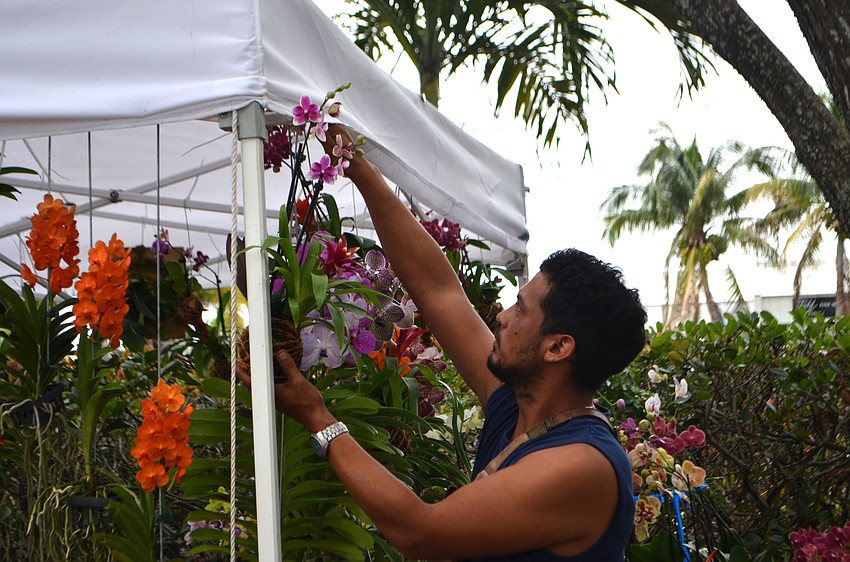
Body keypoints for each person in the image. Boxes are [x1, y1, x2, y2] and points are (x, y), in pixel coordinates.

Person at [237, 125, 647, 561]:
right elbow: (438, 290)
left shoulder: (581, 465)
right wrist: (358, 168)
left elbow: (419, 531)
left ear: (558, 348)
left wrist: (316, 415)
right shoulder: (519, 405)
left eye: (522, 310)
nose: (502, 316)